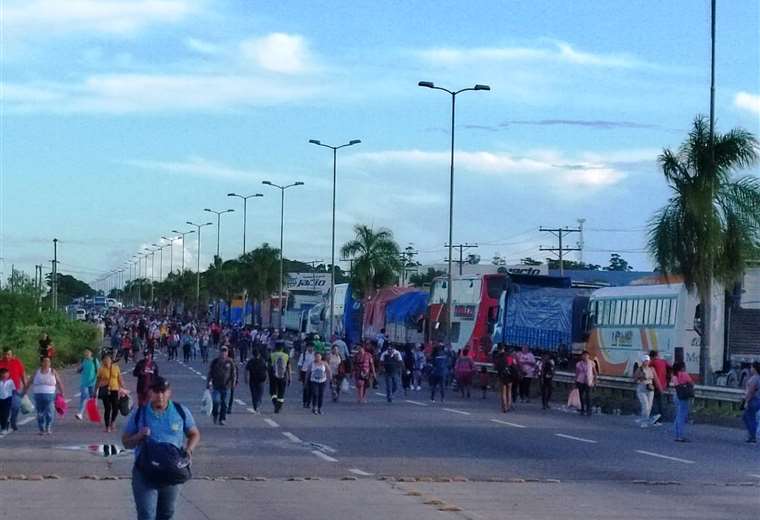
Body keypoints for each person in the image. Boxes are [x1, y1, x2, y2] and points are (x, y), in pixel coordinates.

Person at [122, 377, 200, 520]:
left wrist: (189, 450)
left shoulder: (180, 411)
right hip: (145, 471)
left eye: (163, 391)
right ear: (150, 392)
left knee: (166, 513)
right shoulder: (140, 413)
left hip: (171, 471)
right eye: (156, 391)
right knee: (146, 515)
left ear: (169, 392)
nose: (160, 396)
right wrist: (139, 435)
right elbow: (126, 442)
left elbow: (194, 434)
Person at [24, 356, 64, 435]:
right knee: (40, 413)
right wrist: (24, 391)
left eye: (48, 362)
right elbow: (29, 382)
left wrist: (62, 392)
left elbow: (59, 382)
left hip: (50, 395)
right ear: (41, 363)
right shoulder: (37, 372)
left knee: (49, 412)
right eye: (45, 361)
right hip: (38, 395)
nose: (47, 363)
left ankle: (48, 427)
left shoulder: (53, 371)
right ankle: (41, 428)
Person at [0, 348, 27, 432]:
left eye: (9, 354)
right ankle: (4, 424)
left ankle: (13, 420)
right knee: (3, 409)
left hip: (15, 389)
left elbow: (22, 374)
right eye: (5, 354)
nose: (7, 356)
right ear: (3, 354)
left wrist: (25, 387)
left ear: (12, 355)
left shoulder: (17, 362)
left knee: (15, 406)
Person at [97, 353, 125, 433]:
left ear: (111, 360)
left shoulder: (116, 368)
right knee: (107, 408)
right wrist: (95, 391)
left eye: (108, 359)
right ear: (103, 361)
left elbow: (120, 379)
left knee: (115, 407)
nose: (107, 361)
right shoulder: (101, 369)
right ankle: (107, 427)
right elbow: (98, 380)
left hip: (114, 390)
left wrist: (123, 388)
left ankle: (113, 421)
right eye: (105, 359)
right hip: (105, 390)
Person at [207, 346, 235, 425]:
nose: (223, 353)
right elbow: (210, 373)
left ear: (227, 353)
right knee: (216, 401)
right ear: (219, 352)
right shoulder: (215, 361)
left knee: (224, 403)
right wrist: (208, 383)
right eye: (222, 351)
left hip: (226, 386)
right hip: (216, 385)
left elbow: (233, 374)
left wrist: (233, 383)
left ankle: (222, 419)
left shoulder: (230, 362)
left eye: (225, 351)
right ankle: (215, 414)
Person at [670, 361, 693, 442]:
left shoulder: (674, 376)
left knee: (678, 415)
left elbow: (676, 385)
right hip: (684, 396)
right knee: (682, 416)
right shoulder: (684, 374)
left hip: (676, 395)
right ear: (682, 367)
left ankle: (677, 435)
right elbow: (691, 383)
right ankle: (680, 436)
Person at [634, 354, 660, 427]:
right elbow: (635, 379)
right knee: (645, 405)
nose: (647, 362)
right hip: (642, 388)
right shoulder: (639, 369)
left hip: (650, 388)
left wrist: (659, 387)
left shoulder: (651, 369)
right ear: (643, 361)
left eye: (648, 361)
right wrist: (640, 377)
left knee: (649, 406)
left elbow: (655, 378)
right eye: (645, 361)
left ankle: (645, 420)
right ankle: (644, 421)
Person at [75, 349, 99, 420]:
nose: (86, 353)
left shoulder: (95, 361)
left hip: (93, 382)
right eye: (85, 352)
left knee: (92, 398)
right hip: (84, 383)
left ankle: (93, 413)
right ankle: (80, 413)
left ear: (91, 353)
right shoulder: (83, 361)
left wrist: (97, 380)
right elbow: (78, 370)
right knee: (84, 396)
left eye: (87, 352)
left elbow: (98, 371)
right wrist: (78, 367)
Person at [648, 350, 670, 424]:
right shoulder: (664, 362)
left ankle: (654, 419)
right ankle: (661, 419)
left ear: (651, 356)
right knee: (660, 403)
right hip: (663, 385)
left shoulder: (652, 362)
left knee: (653, 403)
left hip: (654, 385)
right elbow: (671, 368)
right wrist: (668, 379)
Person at [741, 361, 760, 443]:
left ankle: (752, 436)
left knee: (748, 417)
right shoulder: (758, 377)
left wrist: (746, 401)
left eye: (752, 367)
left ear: (755, 369)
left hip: (753, 400)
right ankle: (752, 435)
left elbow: (751, 391)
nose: (750, 369)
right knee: (748, 417)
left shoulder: (755, 378)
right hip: (757, 399)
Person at [269, 342, 291, 413]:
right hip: (283, 376)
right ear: (282, 348)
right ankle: (279, 406)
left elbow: (268, 366)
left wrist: (267, 377)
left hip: (273, 376)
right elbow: (288, 367)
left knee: (272, 392)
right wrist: (289, 377)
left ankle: (275, 404)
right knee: (281, 392)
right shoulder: (286, 356)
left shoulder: (272, 355)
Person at [495, 345, 517, 412]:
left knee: (503, 392)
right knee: (509, 391)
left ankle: (504, 407)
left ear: (498, 349)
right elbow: (514, 365)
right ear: (504, 348)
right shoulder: (509, 356)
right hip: (509, 376)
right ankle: (509, 405)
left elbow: (496, 367)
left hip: (502, 376)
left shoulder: (497, 357)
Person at [575, 350, 596, 417]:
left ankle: (588, 410)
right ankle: (582, 409)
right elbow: (577, 373)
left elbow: (595, 373)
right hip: (580, 381)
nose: (585, 357)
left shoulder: (592, 363)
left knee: (588, 396)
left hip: (589, 381)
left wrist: (595, 381)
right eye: (583, 355)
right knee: (581, 396)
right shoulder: (578, 364)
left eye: (586, 355)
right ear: (581, 356)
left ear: (588, 356)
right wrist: (575, 381)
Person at [298, 343, 315, 408]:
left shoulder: (315, 355)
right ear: (307, 347)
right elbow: (299, 365)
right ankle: (304, 402)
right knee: (305, 388)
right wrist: (299, 375)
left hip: (312, 373)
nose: (310, 348)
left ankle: (309, 402)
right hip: (304, 372)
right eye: (309, 347)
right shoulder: (303, 354)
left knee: (311, 388)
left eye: (312, 347)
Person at [0, 368, 16, 434]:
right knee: (1, 414)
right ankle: (4, 424)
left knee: (5, 413)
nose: (4, 375)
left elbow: (14, 390)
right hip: (0, 399)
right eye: (2, 373)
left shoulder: (10, 381)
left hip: (8, 399)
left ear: (8, 374)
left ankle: (4, 428)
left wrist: (14, 398)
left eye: (6, 374)